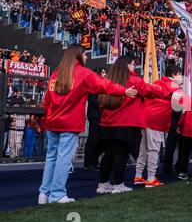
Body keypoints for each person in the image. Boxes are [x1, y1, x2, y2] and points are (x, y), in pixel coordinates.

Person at [38, 45, 137, 204]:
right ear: (78, 56)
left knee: (51, 158)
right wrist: (123, 91)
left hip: (52, 122)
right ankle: (57, 194)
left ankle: (44, 194)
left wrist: (48, 117)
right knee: (63, 158)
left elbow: (47, 101)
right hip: (68, 123)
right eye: (85, 54)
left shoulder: (56, 73)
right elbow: (105, 85)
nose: (87, 57)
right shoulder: (83, 73)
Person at [96, 56, 168, 194]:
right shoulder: (134, 81)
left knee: (109, 154)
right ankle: (118, 184)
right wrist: (163, 90)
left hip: (106, 123)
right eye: (133, 64)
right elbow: (151, 91)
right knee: (121, 154)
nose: (134, 67)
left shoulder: (109, 80)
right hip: (125, 122)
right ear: (127, 66)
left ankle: (103, 184)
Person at [134, 64, 182, 187]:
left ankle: (139, 175)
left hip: (146, 117)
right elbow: (180, 104)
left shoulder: (158, 82)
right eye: (179, 74)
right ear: (174, 75)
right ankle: (151, 177)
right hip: (156, 119)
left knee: (143, 148)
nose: (181, 77)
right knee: (154, 148)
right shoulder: (173, 86)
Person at [84, 68, 107, 169]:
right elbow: (93, 101)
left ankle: (94, 161)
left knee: (98, 139)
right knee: (93, 138)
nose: (105, 74)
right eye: (103, 72)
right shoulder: (93, 85)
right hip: (94, 115)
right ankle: (88, 162)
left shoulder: (101, 85)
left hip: (99, 115)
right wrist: (103, 106)